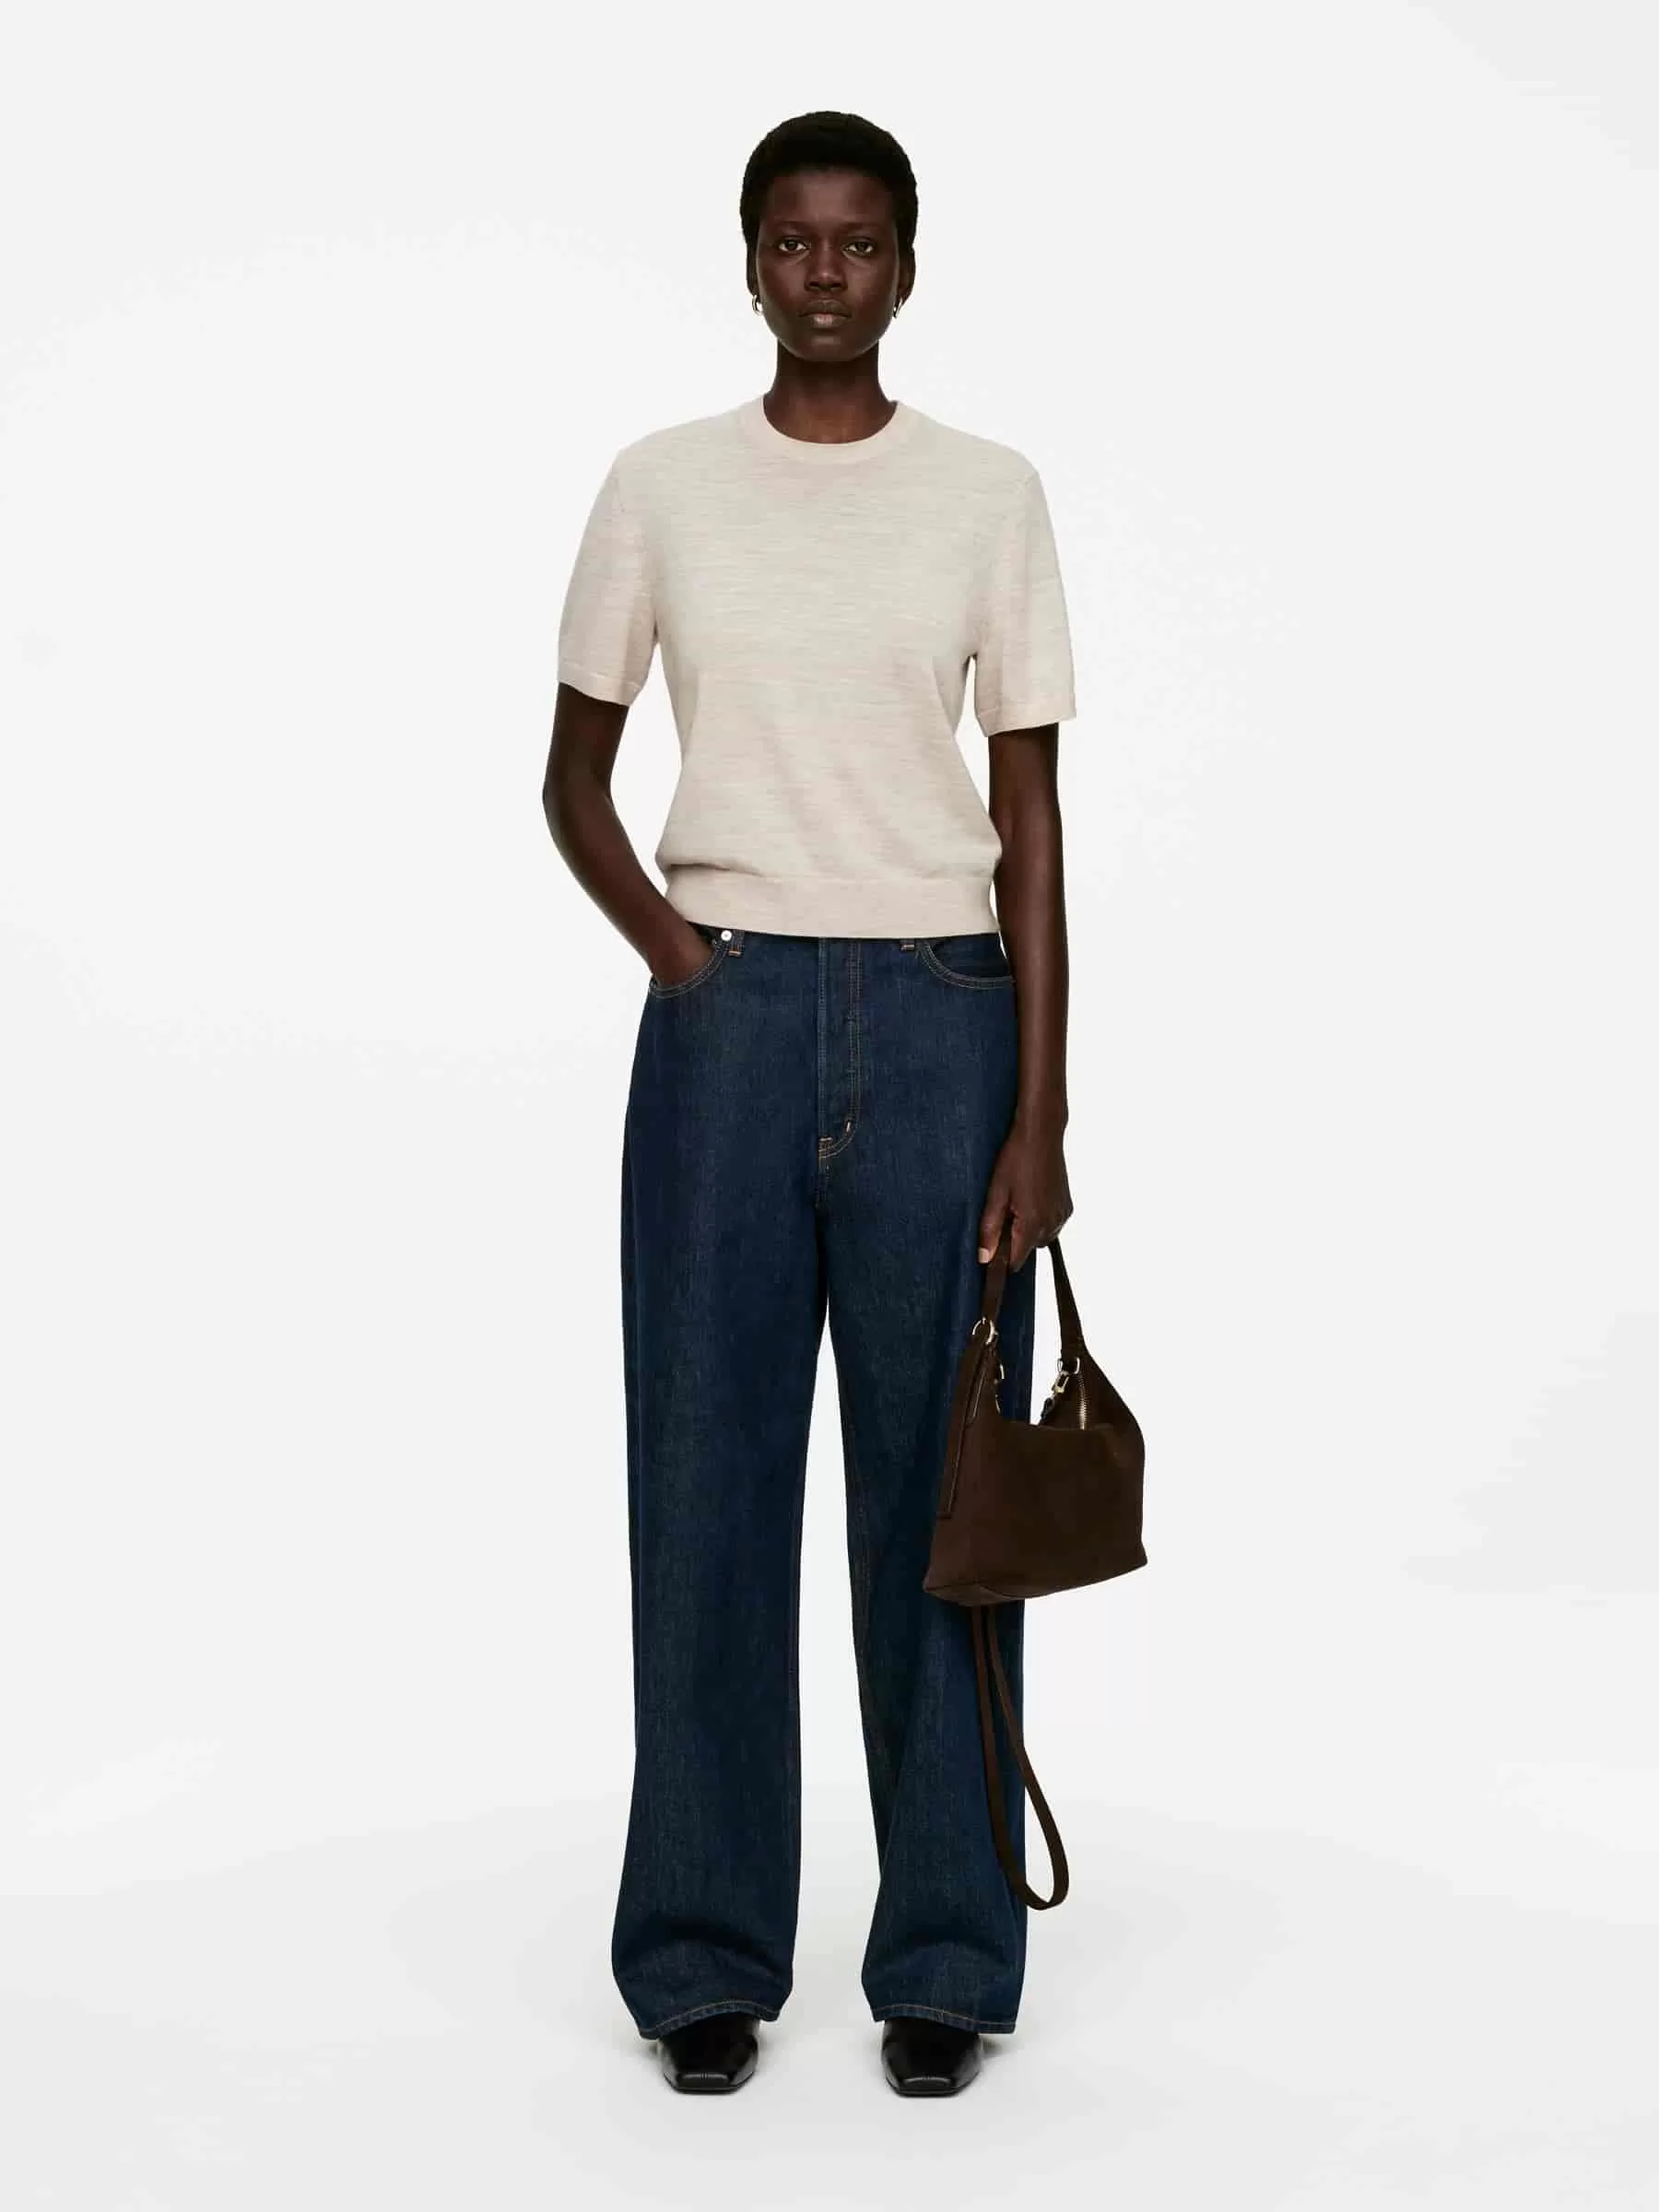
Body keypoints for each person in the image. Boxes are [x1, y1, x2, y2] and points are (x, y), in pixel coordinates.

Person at [543, 110, 1078, 2099]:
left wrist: (1043, 1112)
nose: (825, 273)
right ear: (752, 259)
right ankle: (700, 1953)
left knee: (943, 1511)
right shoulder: (662, 487)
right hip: (729, 1023)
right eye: (792, 240)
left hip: (945, 1020)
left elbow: (1031, 820)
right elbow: (572, 779)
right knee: (705, 1488)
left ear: (908, 263)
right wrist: (684, 962)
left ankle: (943, 1952)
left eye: (859, 242)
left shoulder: (988, 495)